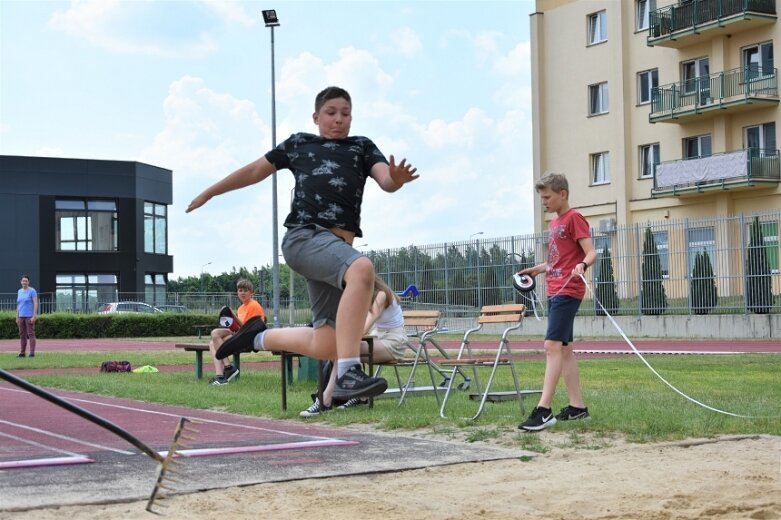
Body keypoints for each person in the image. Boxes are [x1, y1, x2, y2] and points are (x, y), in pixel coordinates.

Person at [187, 86, 419, 401]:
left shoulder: (362, 147)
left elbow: (386, 180)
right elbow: (255, 171)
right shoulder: (300, 144)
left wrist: (396, 178)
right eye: (331, 113)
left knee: (328, 342)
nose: (339, 120)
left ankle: (257, 338)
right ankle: (348, 373)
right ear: (316, 116)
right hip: (305, 238)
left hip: (334, 255)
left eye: (346, 114)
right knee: (362, 269)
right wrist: (210, 192)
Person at [517, 172, 597, 432]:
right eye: (541, 198)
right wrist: (538, 269)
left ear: (562, 194)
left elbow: (591, 252)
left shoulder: (574, 218)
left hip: (568, 290)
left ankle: (544, 410)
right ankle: (577, 407)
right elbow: (556, 259)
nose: (544, 202)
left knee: (551, 345)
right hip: (553, 289)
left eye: (547, 197)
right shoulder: (554, 223)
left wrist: (582, 265)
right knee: (564, 349)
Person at [300, 275, 407, 416]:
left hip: (394, 342)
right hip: (379, 338)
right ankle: (358, 396)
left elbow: (364, 328)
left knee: (344, 350)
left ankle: (325, 400)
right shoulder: (364, 296)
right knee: (340, 350)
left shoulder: (381, 295)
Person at [208, 278, 266, 385]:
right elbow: (238, 327)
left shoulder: (254, 305)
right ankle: (220, 377)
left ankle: (229, 368)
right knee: (213, 342)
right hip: (241, 335)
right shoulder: (240, 308)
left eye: (245, 290)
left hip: (250, 339)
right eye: (240, 290)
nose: (243, 293)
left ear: (251, 292)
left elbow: (249, 329)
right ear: (237, 292)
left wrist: (232, 315)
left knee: (215, 333)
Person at [16, 275, 38, 358]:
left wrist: (34, 316)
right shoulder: (19, 291)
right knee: (22, 335)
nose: (24, 282)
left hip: (29, 316)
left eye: (26, 281)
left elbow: (35, 303)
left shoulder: (32, 291)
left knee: (31, 334)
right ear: (21, 282)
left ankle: (32, 353)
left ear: (28, 282)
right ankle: (22, 353)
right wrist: (17, 317)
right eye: (23, 281)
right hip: (21, 316)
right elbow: (18, 305)